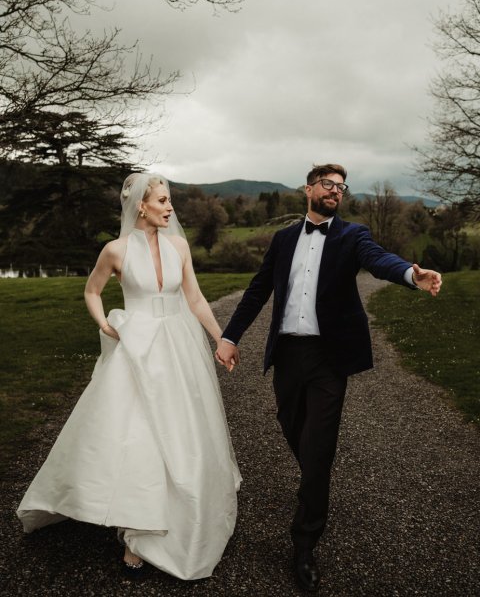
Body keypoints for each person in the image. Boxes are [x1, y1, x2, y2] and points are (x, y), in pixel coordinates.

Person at [215, 163, 442, 593]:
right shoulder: (283, 240)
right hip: (288, 354)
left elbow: (380, 261)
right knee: (291, 426)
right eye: (328, 184)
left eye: (341, 187)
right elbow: (258, 290)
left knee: (318, 447)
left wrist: (412, 275)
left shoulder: (352, 235)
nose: (336, 191)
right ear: (308, 189)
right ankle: (315, 482)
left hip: (329, 357)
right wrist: (229, 336)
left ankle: (304, 542)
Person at [17, 172, 241, 581]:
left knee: (180, 428)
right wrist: (104, 323)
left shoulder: (178, 246)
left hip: (178, 347)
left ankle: (179, 507)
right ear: (141, 205)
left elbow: (193, 297)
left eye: (169, 200)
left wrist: (220, 339)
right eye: (162, 201)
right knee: (139, 433)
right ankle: (137, 529)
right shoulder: (115, 250)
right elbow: (91, 290)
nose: (170, 208)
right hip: (136, 348)